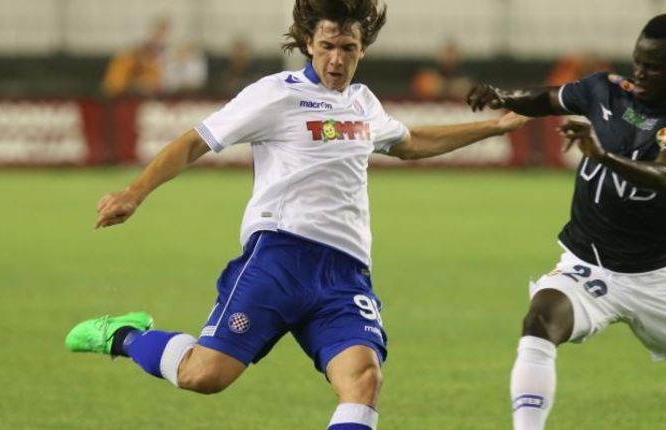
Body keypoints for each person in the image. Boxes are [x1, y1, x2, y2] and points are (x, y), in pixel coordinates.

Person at [65, 1, 528, 429]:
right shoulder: (275, 95)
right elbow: (195, 141)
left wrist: (497, 126)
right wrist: (135, 191)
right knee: (203, 375)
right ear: (309, 43)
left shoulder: (364, 103)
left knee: (364, 381)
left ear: (362, 50)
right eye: (327, 46)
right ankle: (124, 335)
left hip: (345, 275)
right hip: (279, 259)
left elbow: (411, 143)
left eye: (348, 48)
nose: (336, 59)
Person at [468, 13, 666, 430]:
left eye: (654, 66)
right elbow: (548, 98)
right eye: (638, 62)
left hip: (655, 279)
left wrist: (602, 155)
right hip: (586, 264)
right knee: (538, 321)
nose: (640, 73)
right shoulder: (605, 90)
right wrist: (504, 96)